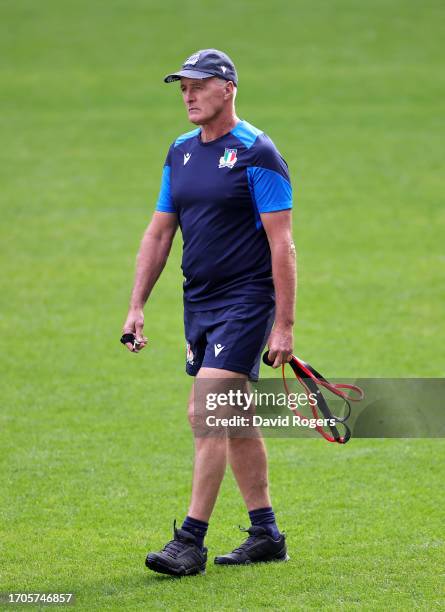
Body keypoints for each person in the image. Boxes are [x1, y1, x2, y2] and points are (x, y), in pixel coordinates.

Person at [122, 49, 296, 577]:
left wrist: (284, 324)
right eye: (182, 88)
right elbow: (159, 232)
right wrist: (136, 306)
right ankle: (265, 533)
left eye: (199, 85)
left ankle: (190, 541)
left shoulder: (257, 152)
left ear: (228, 88)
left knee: (206, 412)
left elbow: (281, 243)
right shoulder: (179, 152)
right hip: (198, 302)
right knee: (237, 418)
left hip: (247, 301)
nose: (189, 95)